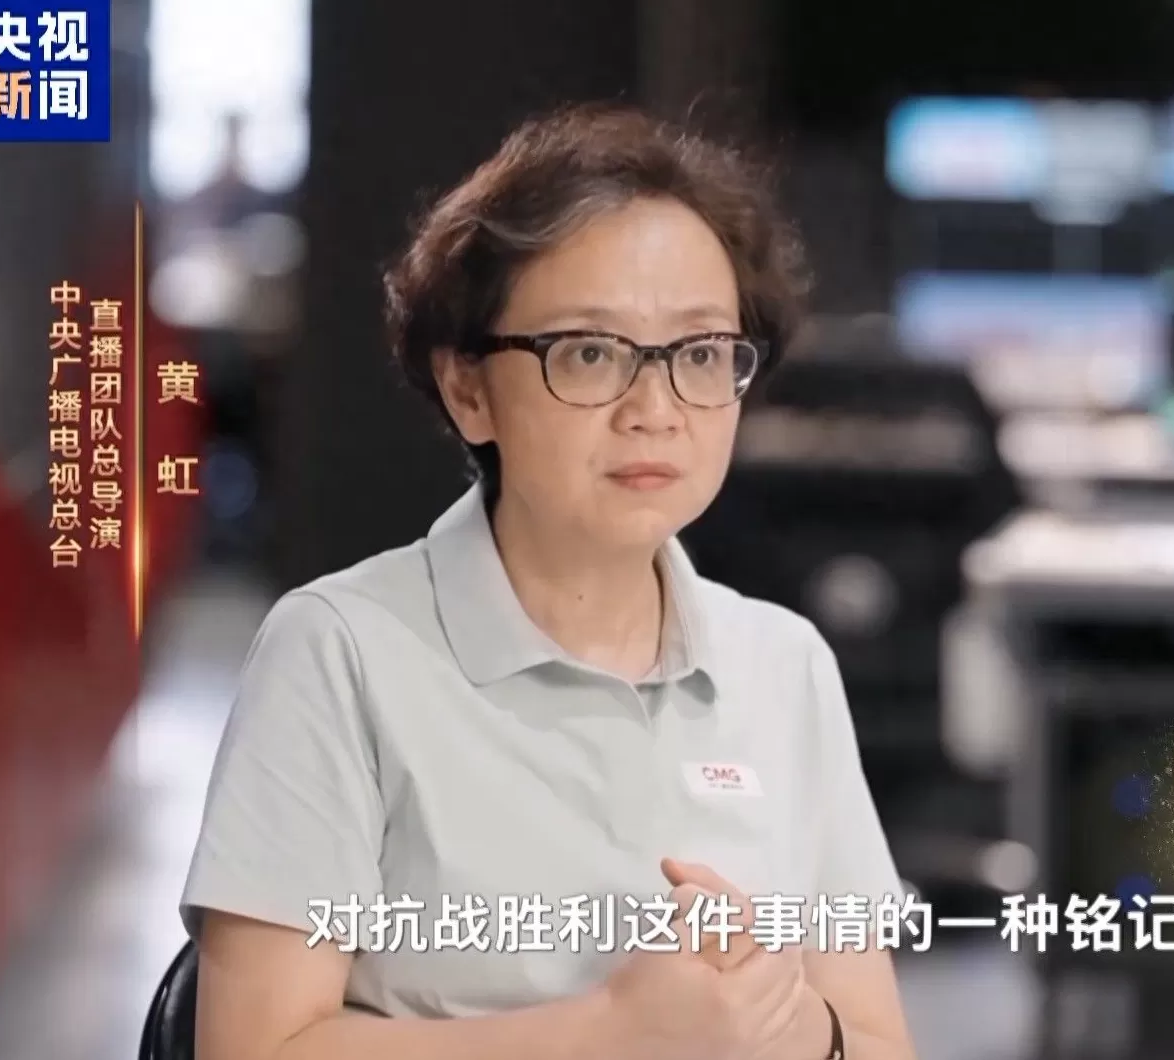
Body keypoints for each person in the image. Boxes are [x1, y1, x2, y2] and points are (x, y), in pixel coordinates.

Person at [181, 104, 917, 1060]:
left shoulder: (784, 663)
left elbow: (873, 1041)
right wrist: (612, 1034)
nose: (655, 409)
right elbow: (253, 1048)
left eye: (700, 354)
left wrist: (790, 1022)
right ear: (469, 388)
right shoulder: (342, 651)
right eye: (590, 352)